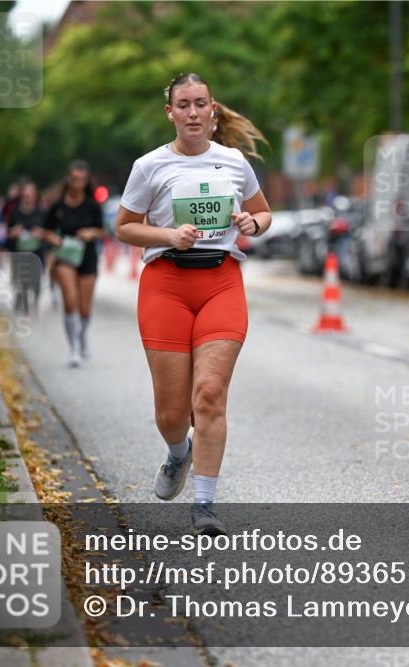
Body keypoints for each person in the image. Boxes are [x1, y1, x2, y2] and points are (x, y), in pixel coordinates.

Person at [114, 72, 271, 535]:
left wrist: (252, 223)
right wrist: (168, 235)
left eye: (200, 104)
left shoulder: (234, 162)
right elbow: (124, 227)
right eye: (183, 105)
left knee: (209, 394)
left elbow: (263, 213)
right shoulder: (149, 167)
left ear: (213, 108)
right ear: (171, 113)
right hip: (166, 285)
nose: (193, 113)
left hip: (221, 282)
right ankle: (178, 452)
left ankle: (204, 505)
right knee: (171, 413)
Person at [44, 160, 105, 367]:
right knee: (70, 300)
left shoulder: (92, 205)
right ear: (68, 179)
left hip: (87, 257)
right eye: (74, 178)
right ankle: (73, 349)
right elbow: (47, 230)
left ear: (86, 181)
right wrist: (52, 238)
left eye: (82, 179)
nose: (78, 182)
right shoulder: (58, 206)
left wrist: (91, 233)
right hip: (65, 257)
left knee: (85, 308)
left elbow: (102, 231)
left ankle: (82, 337)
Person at [6, 181, 48, 313]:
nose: (28, 196)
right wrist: (15, 232)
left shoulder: (41, 212)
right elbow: (8, 232)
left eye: (31, 194)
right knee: (23, 278)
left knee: (36, 278)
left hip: (37, 251)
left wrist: (41, 233)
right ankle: (23, 305)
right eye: (26, 194)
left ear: (35, 195)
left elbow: (48, 232)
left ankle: (35, 301)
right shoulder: (15, 212)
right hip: (20, 251)